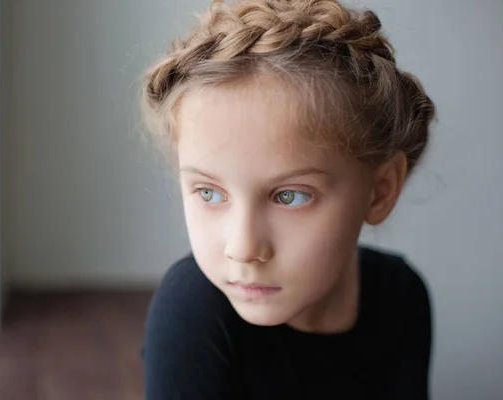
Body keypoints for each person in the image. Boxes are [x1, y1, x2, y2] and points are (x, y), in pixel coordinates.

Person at [140, 0, 435, 398]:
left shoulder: (400, 298)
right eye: (209, 192)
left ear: (379, 191)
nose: (243, 249)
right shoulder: (192, 312)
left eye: (290, 196)